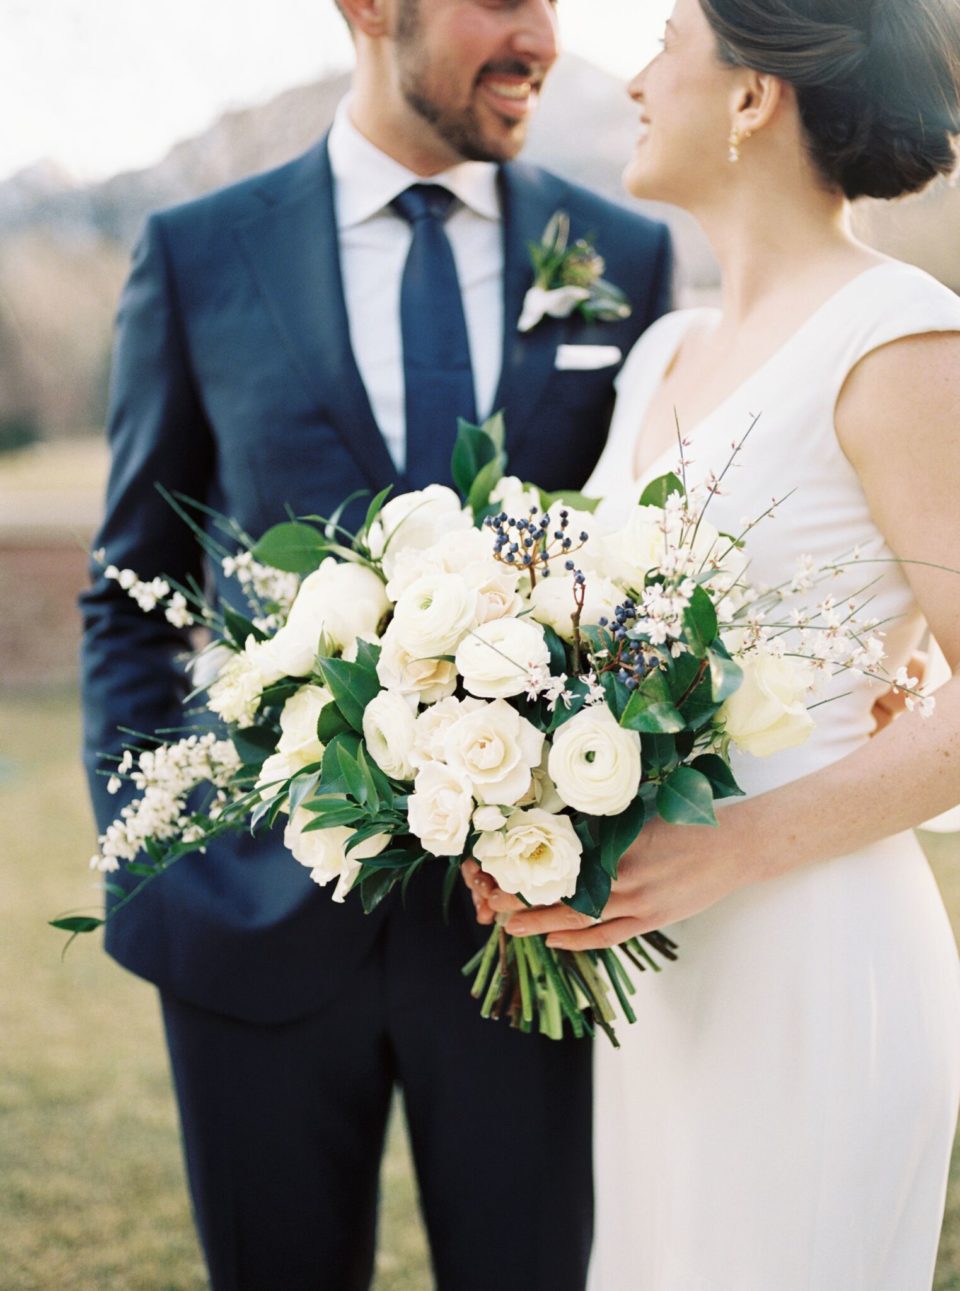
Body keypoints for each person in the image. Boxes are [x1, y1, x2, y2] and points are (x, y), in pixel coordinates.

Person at [79, 1, 673, 1288]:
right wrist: (165, 865)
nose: (545, 37)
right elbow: (129, 591)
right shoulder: (199, 253)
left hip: (535, 938)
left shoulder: (623, 253)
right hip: (253, 922)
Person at [468, 0, 960, 1285]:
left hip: (814, 956)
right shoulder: (670, 350)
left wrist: (729, 846)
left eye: (667, 40)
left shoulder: (899, 337)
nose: (633, 79)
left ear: (755, 96)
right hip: (665, 979)